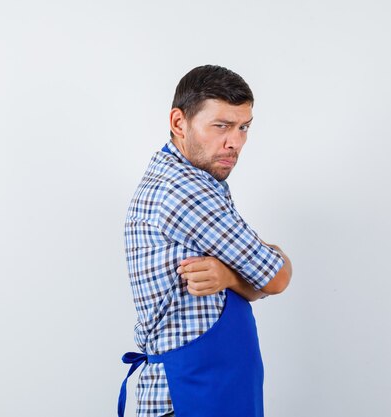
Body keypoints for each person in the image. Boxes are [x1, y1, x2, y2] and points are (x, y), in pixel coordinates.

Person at [118, 65, 293, 417]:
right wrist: (251, 273)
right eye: (221, 126)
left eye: (244, 127)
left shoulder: (179, 177)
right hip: (189, 397)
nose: (236, 142)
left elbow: (264, 277)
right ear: (179, 123)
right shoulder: (185, 191)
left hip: (204, 392)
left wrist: (228, 277)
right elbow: (276, 277)